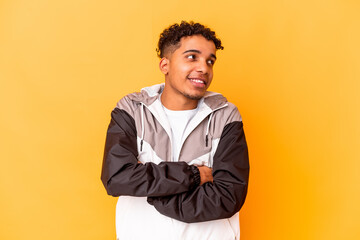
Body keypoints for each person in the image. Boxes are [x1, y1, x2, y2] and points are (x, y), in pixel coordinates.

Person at [101, 21, 250, 240]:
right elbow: (116, 177)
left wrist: (152, 190)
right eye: (192, 57)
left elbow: (228, 196)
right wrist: (195, 175)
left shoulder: (225, 116)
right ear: (165, 65)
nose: (204, 68)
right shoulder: (132, 110)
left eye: (210, 61)